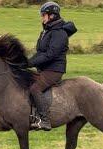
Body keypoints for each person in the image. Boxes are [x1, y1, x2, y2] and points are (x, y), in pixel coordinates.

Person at [26, 1, 77, 131]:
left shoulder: (59, 33)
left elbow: (50, 54)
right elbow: (40, 53)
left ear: (52, 16)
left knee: (35, 89)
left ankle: (45, 120)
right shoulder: (46, 31)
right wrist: (26, 62)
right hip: (45, 69)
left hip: (54, 70)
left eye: (44, 15)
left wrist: (30, 63)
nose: (42, 18)